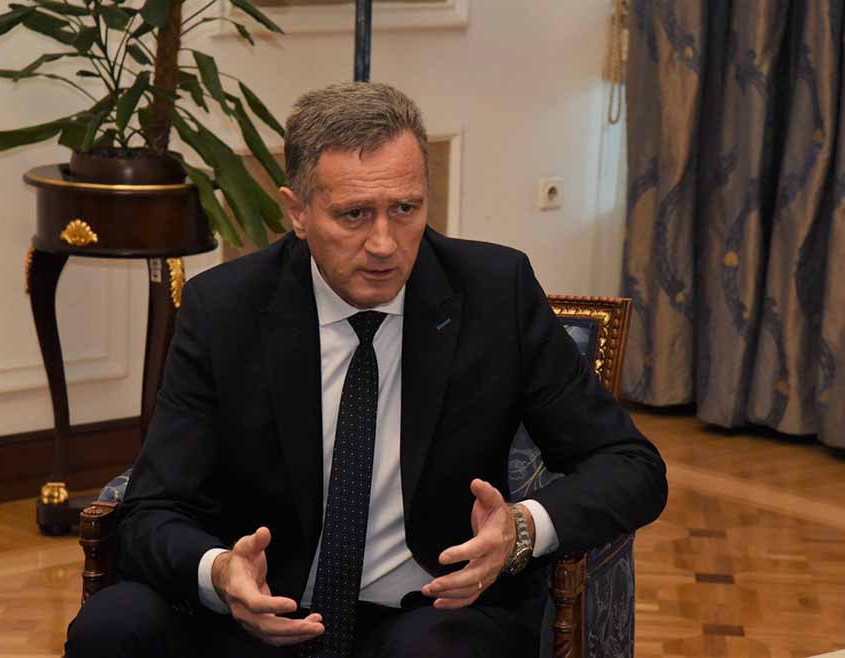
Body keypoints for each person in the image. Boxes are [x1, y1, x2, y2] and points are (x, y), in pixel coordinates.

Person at [65, 82, 667, 658]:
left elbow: (631, 465)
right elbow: (152, 510)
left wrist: (524, 529)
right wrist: (221, 574)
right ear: (297, 212)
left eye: (405, 208)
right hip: (261, 611)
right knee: (113, 628)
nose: (384, 243)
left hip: (432, 613)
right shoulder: (224, 310)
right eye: (354, 215)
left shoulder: (494, 294)